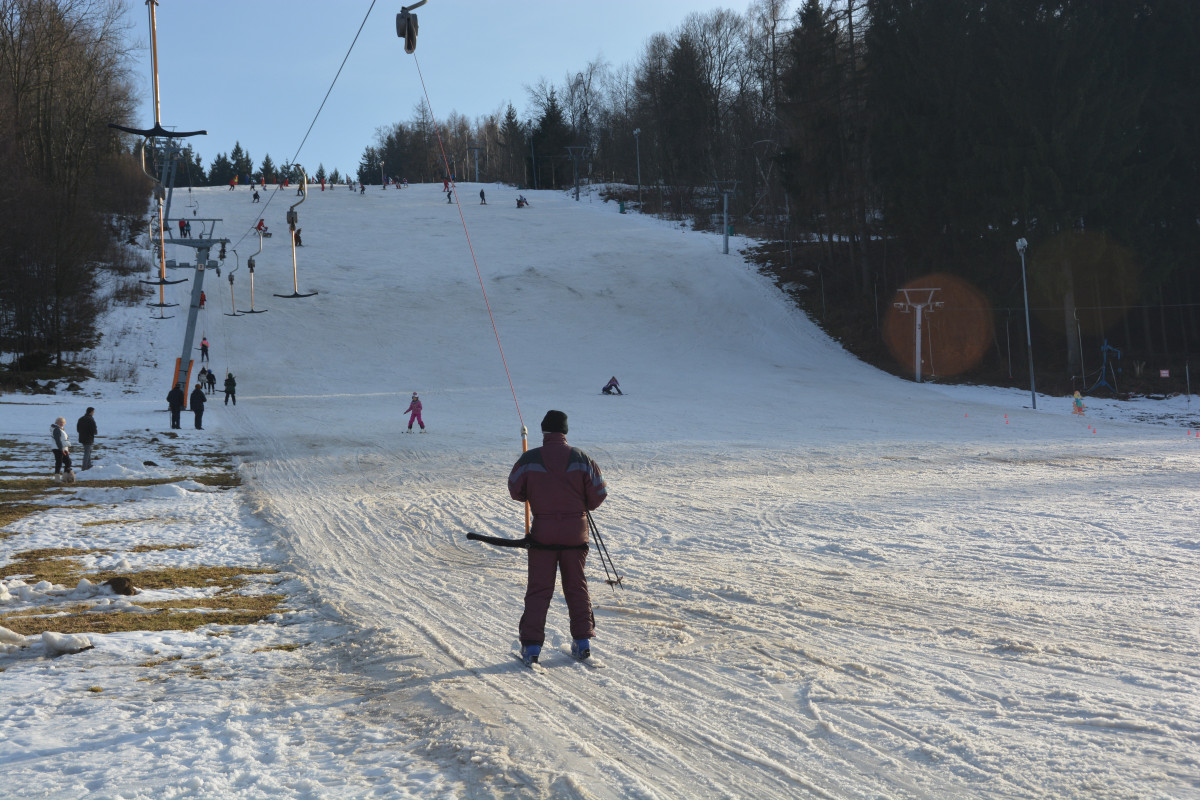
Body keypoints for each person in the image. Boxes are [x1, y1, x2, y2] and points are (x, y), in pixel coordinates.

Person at [508, 410, 607, 665]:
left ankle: (531, 648)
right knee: (576, 586)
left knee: (539, 589)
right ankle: (583, 642)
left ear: (543, 431)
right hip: (576, 534)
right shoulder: (582, 459)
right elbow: (599, 493)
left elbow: (515, 489)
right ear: (565, 431)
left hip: (543, 535)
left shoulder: (529, 459)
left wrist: (535, 493)